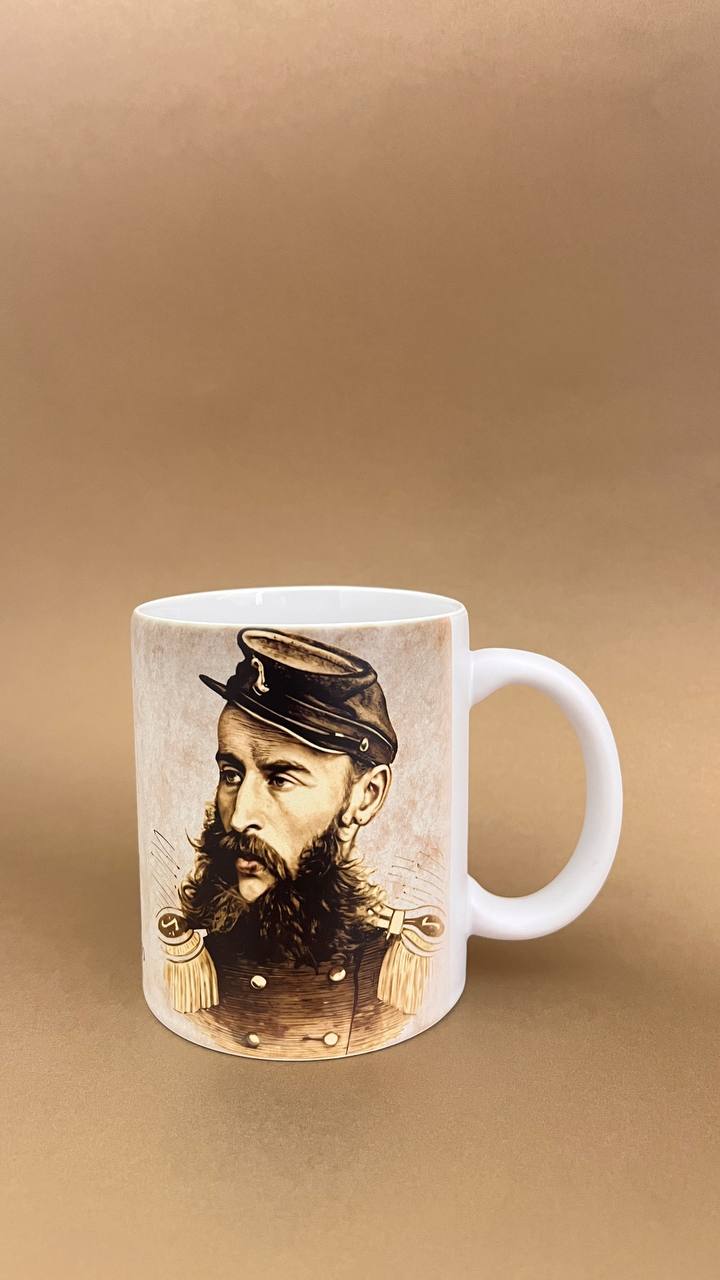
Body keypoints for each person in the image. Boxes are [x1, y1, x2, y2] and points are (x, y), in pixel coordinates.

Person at [156, 627, 444, 1059]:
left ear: (365, 796)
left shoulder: (394, 966)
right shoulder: (189, 957)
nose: (239, 817)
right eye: (231, 775)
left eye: (280, 779)